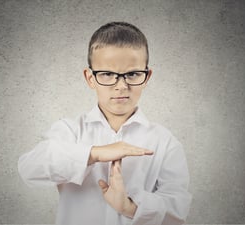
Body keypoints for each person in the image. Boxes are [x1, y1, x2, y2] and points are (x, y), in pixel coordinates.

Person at [18, 21, 192, 225]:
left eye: (133, 74)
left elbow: (178, 210)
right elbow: (30, 168)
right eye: (108, 74)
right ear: (90, 78)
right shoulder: (70, 131)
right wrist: (94, 153)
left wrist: (130, 207)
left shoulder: (164, 141)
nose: (121, 86)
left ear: (147, 77)